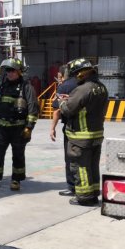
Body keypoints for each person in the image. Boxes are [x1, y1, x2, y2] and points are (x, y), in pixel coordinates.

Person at [0, 58, 39, 190]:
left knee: (18, 155)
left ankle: (16, 180)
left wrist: (29, 128)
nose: (9, 73)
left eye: (12, 70)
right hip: (1, 128)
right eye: (7, 70)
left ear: (19, 72)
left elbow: (33, 109)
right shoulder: (2, 87)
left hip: (18, 128)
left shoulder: (26, 87)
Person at [59, 59, 108, 206]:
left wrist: (62, 102)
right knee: (93, 166)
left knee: (80, 167)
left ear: (80, 74)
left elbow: (68, 110)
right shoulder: (101, 87)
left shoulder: (82, 89)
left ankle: (84, 197)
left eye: (76, 75)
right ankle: (93, 194)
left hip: (80, 137)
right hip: (96, 135)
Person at [49, 64, 78, 197]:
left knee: (70, 158)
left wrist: (52, 128)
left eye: (59, 77)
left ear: (63, 74)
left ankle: (72, 187)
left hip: (71, 128)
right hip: (90, 128)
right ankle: (88, 187)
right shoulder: (88, 85)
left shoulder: (65, 86)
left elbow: (57, 111)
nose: (59, 80)